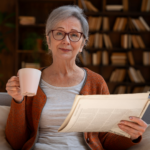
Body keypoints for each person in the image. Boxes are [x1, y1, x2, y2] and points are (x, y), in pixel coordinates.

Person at [5, 5, 147, 150]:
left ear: (82, 44)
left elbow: (105, 139)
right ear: (48, 40)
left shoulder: (96, 82)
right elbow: (17, 142)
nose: (66, 41)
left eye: (74, 35)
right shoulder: (31, 81)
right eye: (59, 33)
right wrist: (18, 99)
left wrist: (133, 135)